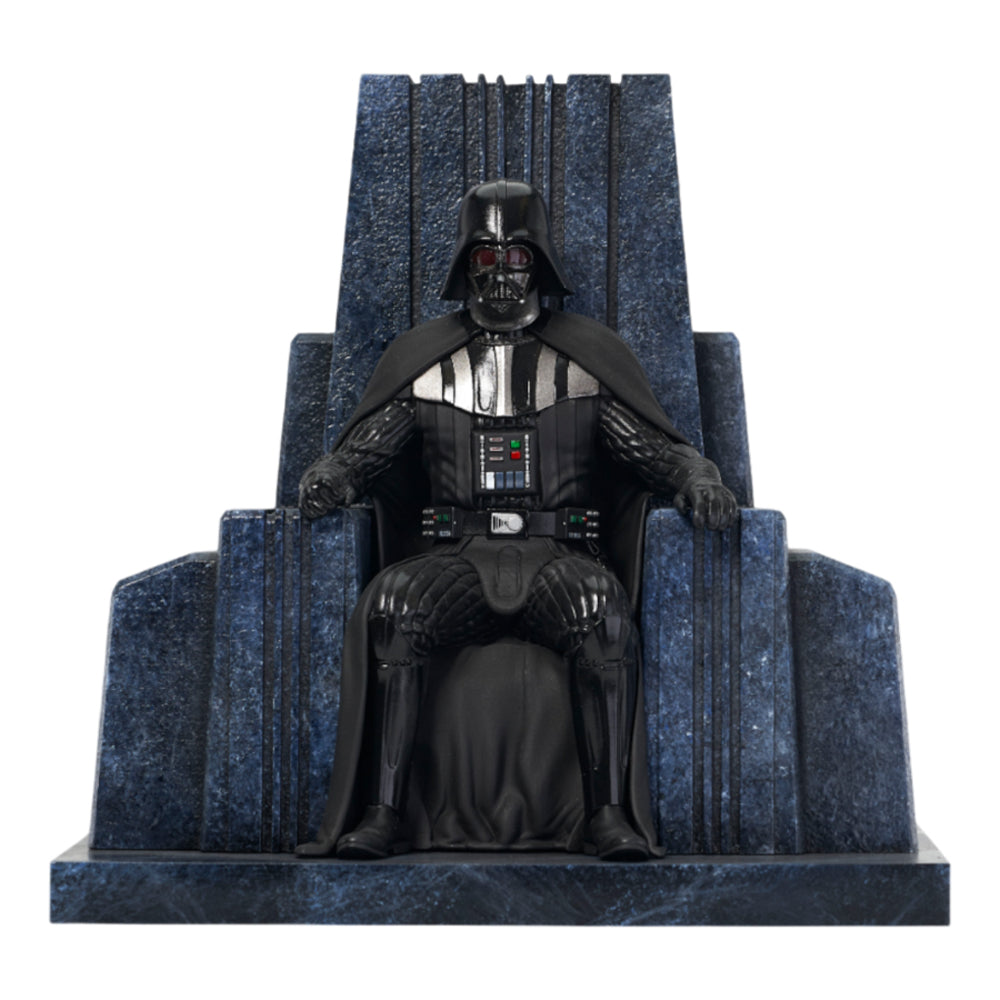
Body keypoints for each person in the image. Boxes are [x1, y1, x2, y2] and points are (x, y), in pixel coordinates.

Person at [296, 179, 737, 861]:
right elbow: (368, 451)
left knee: (601, 613)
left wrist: (699, 479)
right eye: (486, 258)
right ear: (464, 265)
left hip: (558, 558)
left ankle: (607, 816)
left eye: (516, 258)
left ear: (541, 264)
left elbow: (654, 452)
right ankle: (382, 815)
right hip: (458, 558)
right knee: (392, 609)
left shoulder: (586, 363)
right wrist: (334, 475)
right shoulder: (425, 366)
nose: (501, 274)